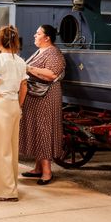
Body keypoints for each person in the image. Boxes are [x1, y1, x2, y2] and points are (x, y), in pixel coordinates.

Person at [0, 25, 27, 202]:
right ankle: (11, 185)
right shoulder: (20, 61)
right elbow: (24, 87)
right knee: (11, 146)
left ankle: (4, 190)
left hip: (0, 104)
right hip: (14, 104)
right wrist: (18, 105)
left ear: (0, 41)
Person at [19, 24, 66, 185]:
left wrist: (28, 68)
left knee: (44, 130)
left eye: (38, 33)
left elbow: (52, 75)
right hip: (36, 96)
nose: (34, 35)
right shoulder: (40, 51)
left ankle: (47, 172)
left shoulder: (53, 53)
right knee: (37, 129)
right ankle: (38, 168)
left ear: (47, 38)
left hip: (46, 97)